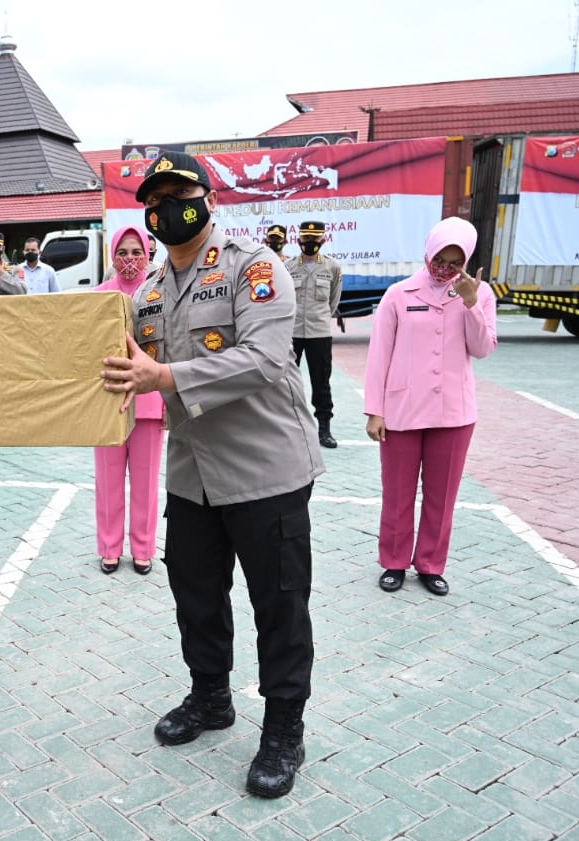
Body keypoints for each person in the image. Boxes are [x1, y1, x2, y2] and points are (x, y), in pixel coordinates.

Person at [99, 151, 325, 799]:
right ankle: (211, 697)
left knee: (278, 604)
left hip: (266, 469)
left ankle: (284, 727)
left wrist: (165, 377)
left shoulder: (253, 267)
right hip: (192, 473)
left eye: (180, 192)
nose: (168, 206)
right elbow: (116, 358)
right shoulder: (145, 292)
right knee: (196, 594)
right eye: (156, 197)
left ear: (207, 197)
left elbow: (265, 360)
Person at [364, 216, 497, 597]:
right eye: (440, 259)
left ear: (467, 261)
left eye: (455, 263)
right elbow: (379, 356)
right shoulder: (399, 294)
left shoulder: (480, 294)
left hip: (454, 414)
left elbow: (483, 349)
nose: (445, 269)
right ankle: (393, 561)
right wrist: (376, 410)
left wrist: (471, 304)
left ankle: (431, 564)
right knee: (398, 491)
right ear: (428, 252)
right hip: (402, 410)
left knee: (442, 495)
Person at [93, 224, 165, 575]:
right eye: (123, 252)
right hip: (107, 401)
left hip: (150, 401)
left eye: (137, 252)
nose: (130, 260)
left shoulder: (157, 295)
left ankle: (143, 548)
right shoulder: (99, 295)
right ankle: (109, 548)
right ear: (113, 255)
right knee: (107, 480)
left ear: (148, 254)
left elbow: (168, 350)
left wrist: (168, 401)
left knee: (146, 480)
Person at [284, 221, 343, 448]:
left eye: (314, 240)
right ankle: (288, 427)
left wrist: (321, 317)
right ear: (298, 240)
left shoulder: (332, 268)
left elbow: (333, 300)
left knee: (321, 382)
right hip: (293, 332)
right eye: (306, 239)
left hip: (319, 332)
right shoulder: (288, 267)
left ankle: (324, 429)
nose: (310, 243)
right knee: (286, 380)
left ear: (323, 241)